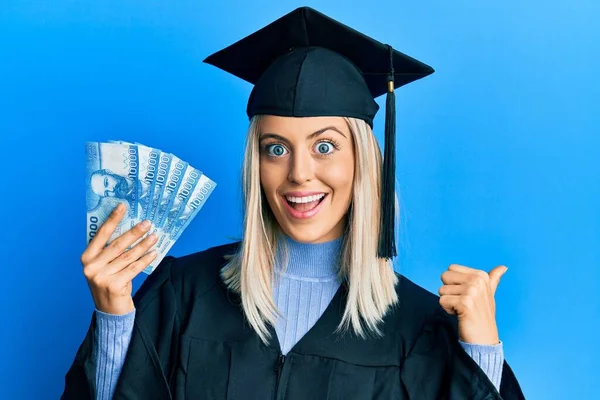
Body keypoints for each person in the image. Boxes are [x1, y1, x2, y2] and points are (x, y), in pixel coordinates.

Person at [62, 6, 525, 400]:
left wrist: (481, 349)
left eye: (325, 146)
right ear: (255, 164)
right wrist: (115, 318)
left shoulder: (419, 327)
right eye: (275, 148)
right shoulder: (180, 293)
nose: (299, 172)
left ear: (364, 163)